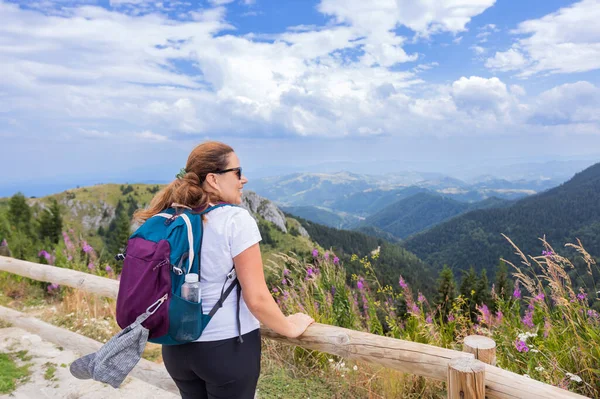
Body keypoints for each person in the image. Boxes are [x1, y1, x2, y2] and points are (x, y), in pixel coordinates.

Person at [133, 141, 314, 399]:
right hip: (226, 350)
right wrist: (290, 327)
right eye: (238, 172)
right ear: (213, 179)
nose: (244, 179)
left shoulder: (174, 217)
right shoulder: (235, 220)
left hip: (176, 348)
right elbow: (257, 298)